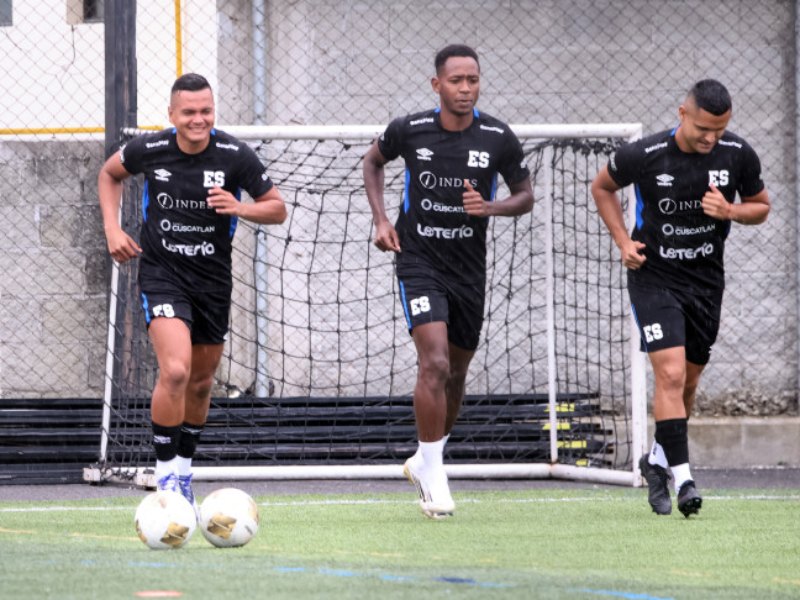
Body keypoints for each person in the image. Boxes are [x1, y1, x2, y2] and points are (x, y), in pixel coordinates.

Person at [98, 73, 287, 512]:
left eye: (206, 111)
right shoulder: (151, 148)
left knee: (201, 384)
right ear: (172, 114)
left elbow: (277, 208)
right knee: (176, 370)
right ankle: (165, 475)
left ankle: (183, 471)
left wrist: (240, 207)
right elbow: (109, 174)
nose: (198, 119)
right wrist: (112, 229)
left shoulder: (235, 155)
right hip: (163, 275)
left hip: (213, 282)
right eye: (189, 112)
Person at [362, 44, 534, 519]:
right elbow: (372, 162)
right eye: (456, 80)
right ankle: (434, 475)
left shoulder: (498, 136)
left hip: (468, 269)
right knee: (434, 362)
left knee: (456, 373)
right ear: (437, 84)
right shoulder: (410, 129)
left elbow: (525, 196)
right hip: (419, 261)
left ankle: (426, 458)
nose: (465, 88)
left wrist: (490, 207)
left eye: (472, 80)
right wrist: (381, 220)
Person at [591, 79, 769, 517]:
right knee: (669, 375)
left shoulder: (737, 154)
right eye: (703, 129)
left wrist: (731, 211)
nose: (711, 138)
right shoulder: (645, 154)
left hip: (706, 283)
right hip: (654, 278)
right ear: (682, 114)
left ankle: (657, 460)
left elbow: (761, 206)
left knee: (687, 383)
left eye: (719, 130)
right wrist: (622, 242)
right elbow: (602, 187)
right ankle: (685, 480)